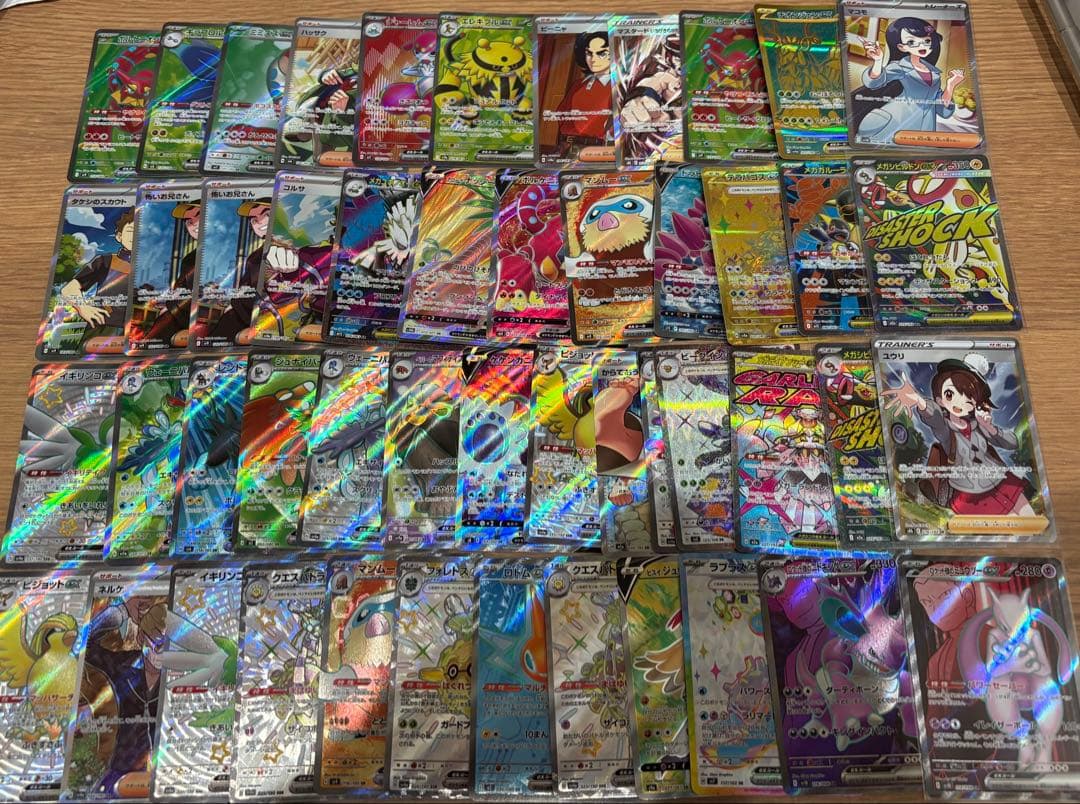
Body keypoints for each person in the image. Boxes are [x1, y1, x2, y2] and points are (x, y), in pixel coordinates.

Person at [881, 353, 1034, 517]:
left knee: (1030, 519)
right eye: (950, 394)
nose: (960, 402)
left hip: (1001, 481)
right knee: (1007, 525)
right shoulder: (946, 430)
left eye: (969, 396)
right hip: (970, 492)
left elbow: (1012, 443)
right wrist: (919, 401)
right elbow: (935, 418)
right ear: (940, 400)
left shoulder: (979, 425)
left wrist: (989, 428)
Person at [855, 17, 965, 143]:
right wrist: (878, 60)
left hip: (926, 126)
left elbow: (941, 109)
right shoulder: (900, 67)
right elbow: (874, 82)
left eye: (927, 41)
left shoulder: (934, 73)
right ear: (902, 47)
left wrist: (951, 85)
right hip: (897, 121)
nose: (922, 45)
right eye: (912, 42)